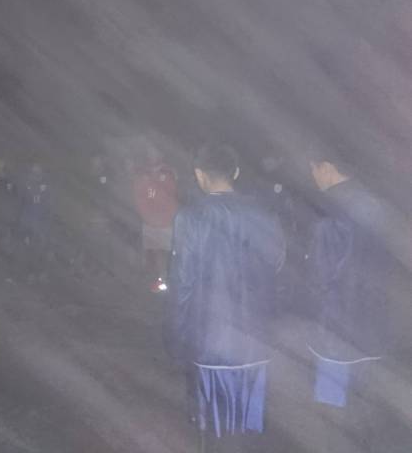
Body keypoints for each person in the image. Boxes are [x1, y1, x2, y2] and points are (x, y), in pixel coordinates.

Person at [167, 144, 285, 451]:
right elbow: (276, 269)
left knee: (216, 433)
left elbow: (183, 284)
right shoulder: (265, 216)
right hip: (256, 341)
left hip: (211, 343)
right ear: (236, 172)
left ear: (199, 174)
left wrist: (179, 338)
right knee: (250, 430)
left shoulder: (191, 218)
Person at [305, 145, 392, 452]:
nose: (313, 177)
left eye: (313, 169)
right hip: (374, 334)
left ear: (327, 167)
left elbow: (319, 278)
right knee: (367, 421)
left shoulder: (328, 215)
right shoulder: (377, 208)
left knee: (334, 423)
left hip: (337, 338)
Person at [133, 146, 178, 291]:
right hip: (149, 220)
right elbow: (141, 195)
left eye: (155, 152)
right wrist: (146, 214)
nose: (152, 155)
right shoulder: (143, 173)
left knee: (167, 252)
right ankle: (159, 279)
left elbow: (171, 195)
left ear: (161, 154)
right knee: (154, 251)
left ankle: (169, 280)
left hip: (166, 221)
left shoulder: (168, 172)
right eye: (149, 152)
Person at [18, 161, 53, 282]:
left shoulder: (47, 186)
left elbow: (49, 206)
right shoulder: (26, 184)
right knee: (28, 249)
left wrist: (47, 223)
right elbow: (21, 204)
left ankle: (41, 273)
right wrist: (23, 223)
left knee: (41, 249)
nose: (36, 173)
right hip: (28, 222)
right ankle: (28, 273)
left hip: (41, 224)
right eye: (33, 170)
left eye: (38, 170)